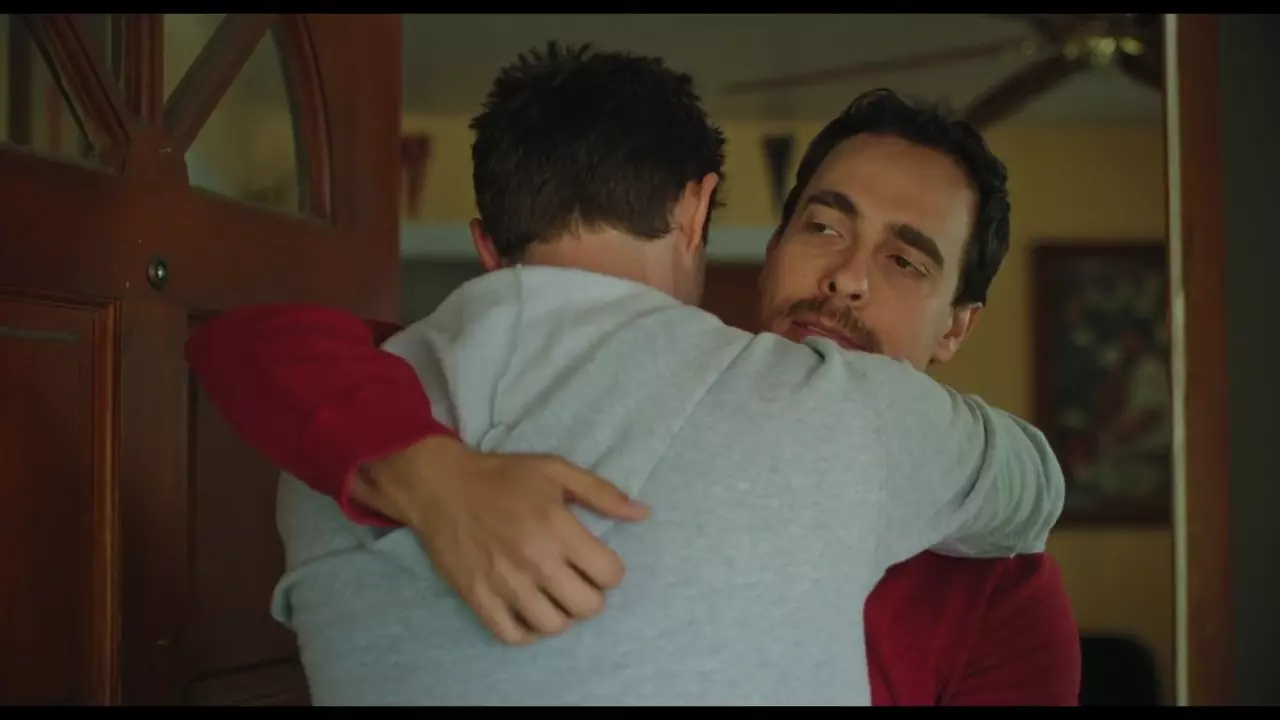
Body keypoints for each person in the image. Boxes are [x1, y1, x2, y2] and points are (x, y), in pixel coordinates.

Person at [187, 45, 1073, 705]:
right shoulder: (385, 405)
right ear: (719, 223)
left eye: (906, 261)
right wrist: (426, 471)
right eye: (823, 227)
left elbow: (253, 345)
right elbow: (268, 349)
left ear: (958, 327)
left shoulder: (1000, 589)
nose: (846, 277)